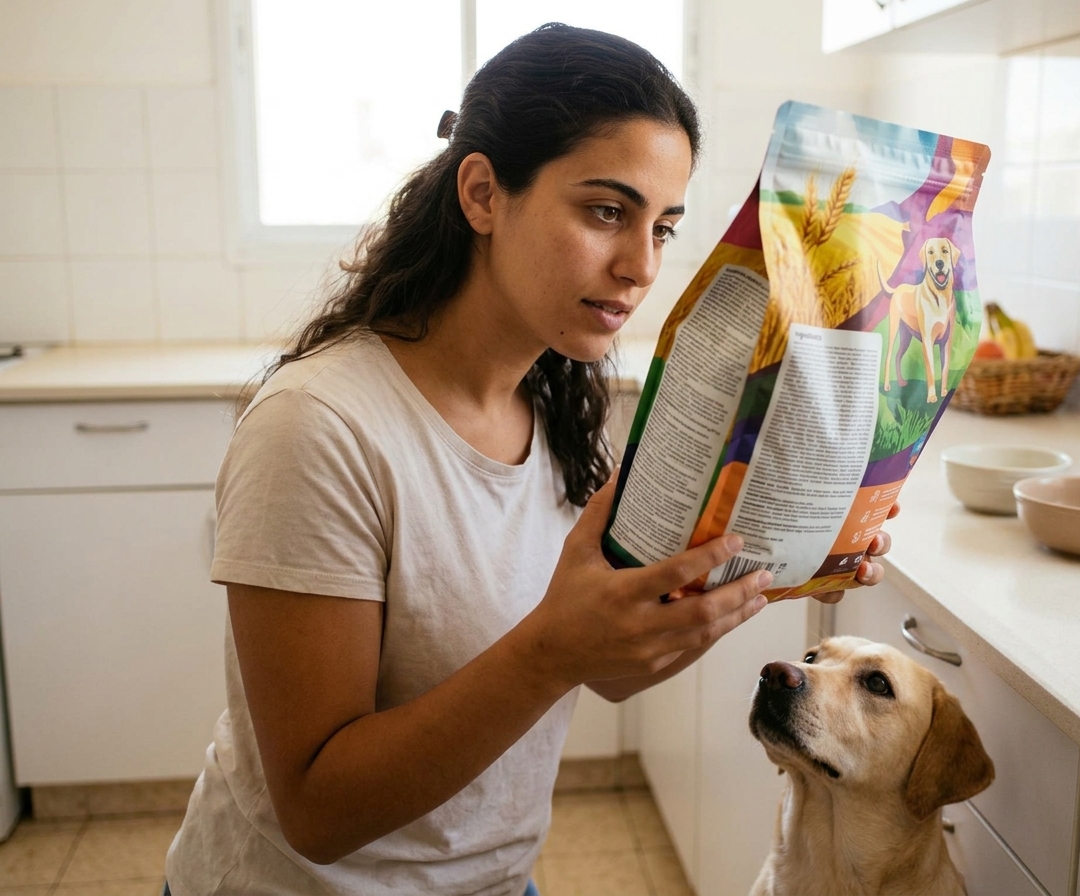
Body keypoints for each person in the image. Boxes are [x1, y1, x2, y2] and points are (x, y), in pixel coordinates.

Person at [164, 23, 894, 896]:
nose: (640, 266)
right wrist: (553, 649)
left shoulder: (555, 403)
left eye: (663, 226)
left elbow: (608, 671)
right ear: (482, 193)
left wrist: (755, 570)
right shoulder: (319, 428)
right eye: (604, 211)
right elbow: (318, 812)